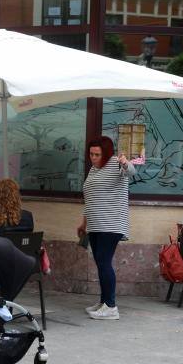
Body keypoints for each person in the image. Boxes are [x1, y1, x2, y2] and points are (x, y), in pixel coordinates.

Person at [78, 136, 136, 321]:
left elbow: (131, 172)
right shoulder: (94, 169)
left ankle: (111, 307)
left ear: (107, 153)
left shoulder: (115, 163)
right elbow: (90, 199)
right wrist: (84, 223)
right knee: (101, 263)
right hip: (95, 225)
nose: (93, 157)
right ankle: (103, 302)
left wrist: (126, 163)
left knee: (104, 263)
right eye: (91, 154)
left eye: (97, 154)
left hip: (110, 224)